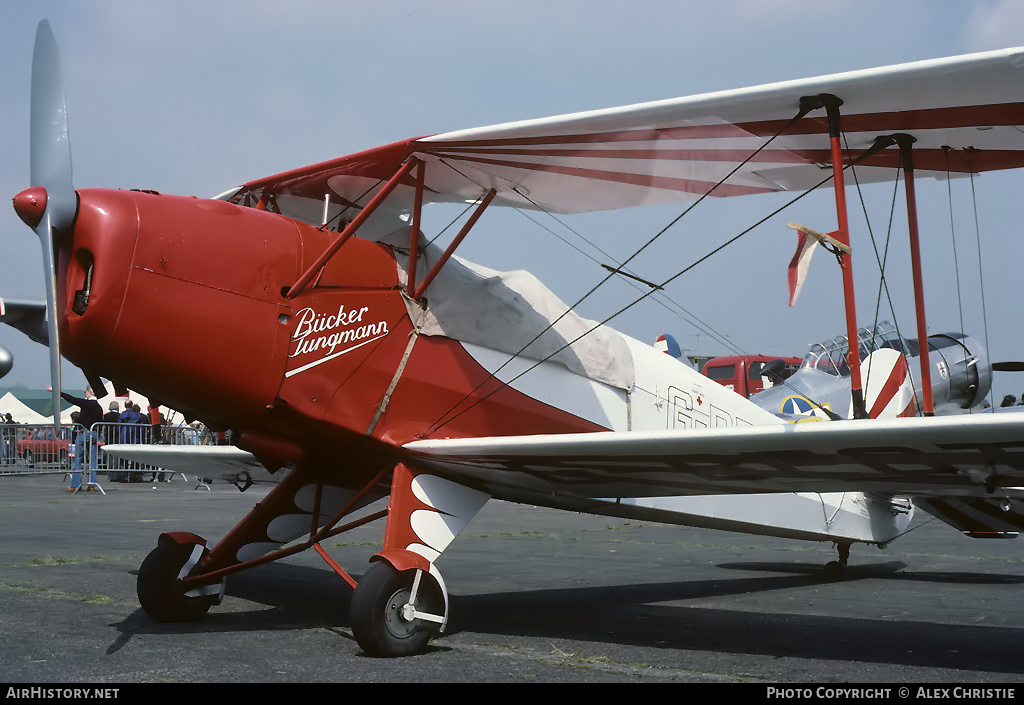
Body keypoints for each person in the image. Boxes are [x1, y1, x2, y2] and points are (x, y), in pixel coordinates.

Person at [53, 387, 103, 491]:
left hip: (83, 432)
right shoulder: (99, 407)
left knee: (78, 459)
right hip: (93, 433)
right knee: (93, 460)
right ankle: (91, 484)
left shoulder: (86, 404)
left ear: (89, 392)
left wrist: (58, 392)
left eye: (86, 392)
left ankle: (76, 484)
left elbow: (72, 399)